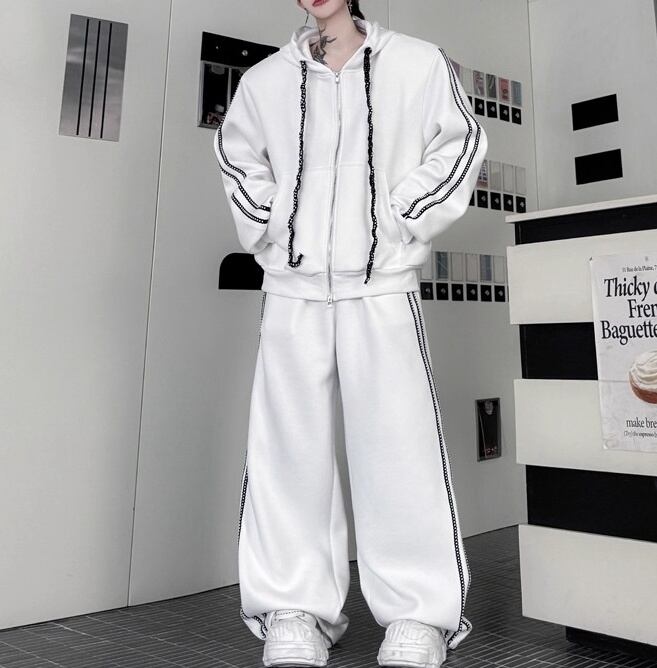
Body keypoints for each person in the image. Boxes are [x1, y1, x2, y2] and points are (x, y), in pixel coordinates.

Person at [213, 1, 488, 666]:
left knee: (400, 447)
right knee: (286, 451)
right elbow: (237, 156)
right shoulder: (267, 79)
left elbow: (461, 142)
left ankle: (418, 616)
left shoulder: (417, 62)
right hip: (293, 288)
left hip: (382, 283)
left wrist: (401, 214)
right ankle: (293, 609)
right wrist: (275, 224)